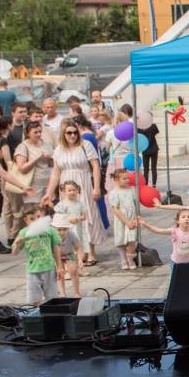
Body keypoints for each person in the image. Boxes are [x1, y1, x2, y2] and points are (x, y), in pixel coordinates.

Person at [43, 122, 104, 265]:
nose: (72, 135)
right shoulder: (59, 150)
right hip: (65, 185)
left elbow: (95, 166)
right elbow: (56, 173)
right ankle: (78, 251)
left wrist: (96, 187)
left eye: (75, 132)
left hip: (83, 183)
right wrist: (49, 192)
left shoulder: (85, 145)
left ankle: (91, 252)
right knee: (70, 217)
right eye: (69, 133)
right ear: (63, 134)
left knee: (87, 215)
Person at [11, 205, 61, 306]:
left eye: (38, 217)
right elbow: (14, 253)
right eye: (32, 219)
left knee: (52, 298)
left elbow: (56, 249)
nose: (36, 221)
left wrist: (59, 267)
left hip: (49, 268)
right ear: (26, 220)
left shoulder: (50, 230)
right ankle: (36, 313)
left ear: (42, 215)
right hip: (32, 270)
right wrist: (17, 244)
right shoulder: (23, 233)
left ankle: (52, 313)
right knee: (33, 300)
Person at [107, 168, 140, 270]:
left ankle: (130, 259)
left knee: (132, 240)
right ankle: (123, 259)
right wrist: (126, 222)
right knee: (121, 240)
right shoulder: (114, 193)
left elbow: (136, 204)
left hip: (132, 218)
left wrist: (136, 217)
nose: (127, 180)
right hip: (121, 219)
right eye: (124, 179)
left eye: (127, 178)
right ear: (116, 180)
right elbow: (115, 209)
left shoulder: (132, 189)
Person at [51, 211, 82, 297]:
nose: (62, 232)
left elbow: (78, 247)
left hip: (69, 253)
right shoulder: (52, 236)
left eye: (65, 229)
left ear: (68, 228)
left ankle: (76, 292)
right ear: (54, 228)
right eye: (59, 230)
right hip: (57, 255)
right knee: (59, 273)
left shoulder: (71, 234)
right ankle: (62, 292)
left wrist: (80, 259)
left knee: (73, 270)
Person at [138, 114, 160, 188]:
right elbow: (156, 132)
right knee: (154, 168)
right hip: (154, 148)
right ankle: (154, 185)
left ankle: (145, 184)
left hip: (145, 149)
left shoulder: (140, 128)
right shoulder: (153, 126)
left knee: (146, 169)